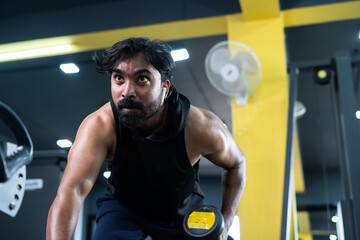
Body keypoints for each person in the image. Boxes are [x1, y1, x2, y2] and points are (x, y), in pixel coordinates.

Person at [46, 37, 246, 240]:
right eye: (118, 78)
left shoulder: (200, 127)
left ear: (165, 88)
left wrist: (227, 222)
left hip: (182, 212)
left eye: (142, 79)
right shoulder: (101, 125)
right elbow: (72, 192)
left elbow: (237, 163)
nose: (127, 91)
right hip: (123, 209)